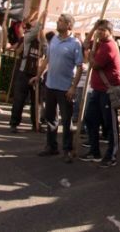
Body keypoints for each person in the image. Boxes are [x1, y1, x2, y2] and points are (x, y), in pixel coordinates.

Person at [36, 13, 83, 162]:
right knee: (50, 118)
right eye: (59, 20)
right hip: (50, 85)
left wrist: (73, 87)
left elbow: (80, 67)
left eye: (61, 21)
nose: (58, 22)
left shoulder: (75, 43)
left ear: (69, 25)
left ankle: (67, 150)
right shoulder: (54, 39)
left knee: (67, 120)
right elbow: (47, 59)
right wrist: (38, 76)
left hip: (65, 89)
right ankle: (51, 146)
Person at [80, 19, 120, 167]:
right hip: (97, 90)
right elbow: (85, 44)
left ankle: (112, 155)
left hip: (108, 92)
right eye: (99, 30)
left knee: (110, 124)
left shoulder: (109, 46)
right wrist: (93, 28)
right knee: (91, 119)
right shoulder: (100, 44)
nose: (99, 32)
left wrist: (90, 56)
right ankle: (94, 150)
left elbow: (96, 64)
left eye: (102, 30)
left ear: (110, 32)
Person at [8, 11, 43, 132]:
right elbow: (33, 31)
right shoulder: (27, 38)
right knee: (19, 100)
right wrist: (41, 19)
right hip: (24, 72)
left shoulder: (43, 43)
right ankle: (14, 123)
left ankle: (36, 124)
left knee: (36, 102)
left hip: (36, 74)